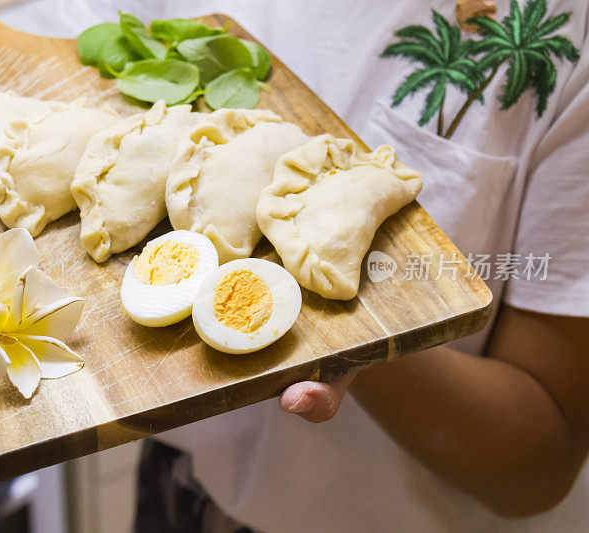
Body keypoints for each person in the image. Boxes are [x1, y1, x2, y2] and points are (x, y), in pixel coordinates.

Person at [34, 0, 589, 530]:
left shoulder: (573, 46)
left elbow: (542, 464)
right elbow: (92, 59)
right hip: (189, 479)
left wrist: (359, 336)